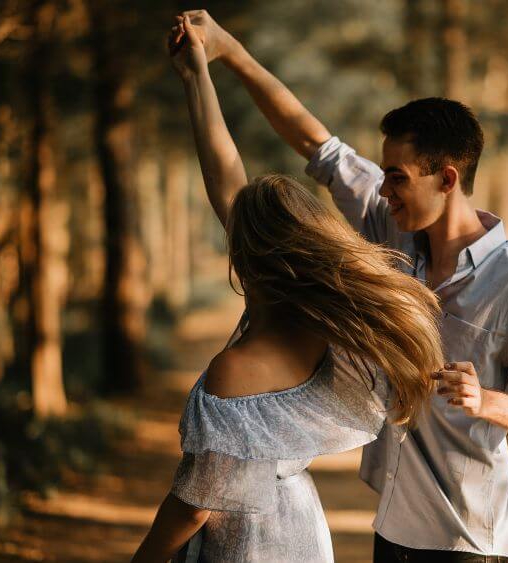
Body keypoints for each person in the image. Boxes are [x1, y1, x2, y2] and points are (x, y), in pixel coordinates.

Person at [177, 10, 508, 562]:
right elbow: (314, 143)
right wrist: (228, 54)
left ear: (447, 179)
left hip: (466, 540)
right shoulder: (391, 229)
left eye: (397, 177)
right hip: (392, 528)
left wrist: (486, 401)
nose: (383, 188)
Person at [131, 19, 445, 563]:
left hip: (249, 545)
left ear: (248, 256)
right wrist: (196, 77)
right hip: (302, 527)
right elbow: (226, 178)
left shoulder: (238, 369)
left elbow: (195, 505)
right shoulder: (337, 336)